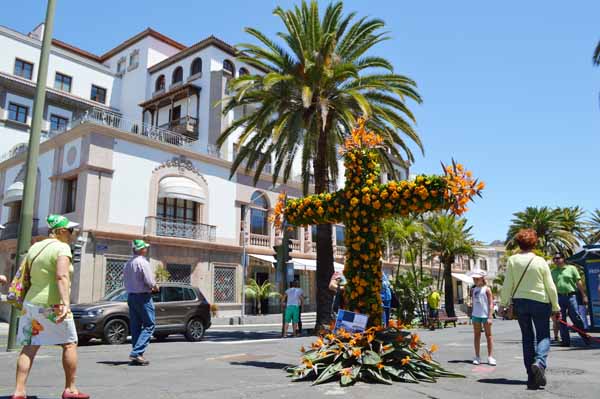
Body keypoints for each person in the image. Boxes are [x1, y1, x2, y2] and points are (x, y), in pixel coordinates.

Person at [12, 215, 89, 399]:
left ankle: (19, 391)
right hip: (53, 304)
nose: (72, 234)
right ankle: (70, 389)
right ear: (61, 231)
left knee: (29, 346)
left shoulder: (35, 247)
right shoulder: (62, 248)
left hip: (31, 303)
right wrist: (65, 303)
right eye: (70, 230)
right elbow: (61, 276)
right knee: (69, 344)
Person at [501, 229, 560, 390]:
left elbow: (508, 284)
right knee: (543, 336)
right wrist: (555, 306)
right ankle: (539, 362)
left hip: (520, 303)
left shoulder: (513, 260)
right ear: (534, 243)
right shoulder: (541, 261)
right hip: (540, 302)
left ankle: (531, 376)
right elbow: (550, 286)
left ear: (519, 243)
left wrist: (503, 303)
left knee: (527, 338)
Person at [123, 239, 158, 366]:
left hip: (131, 296)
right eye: (145, 248)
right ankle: (137, 352)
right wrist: (155, 287)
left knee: (135, 326)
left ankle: (138, 355)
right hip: (143, 297)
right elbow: (149, 281)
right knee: (149, 325)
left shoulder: (128, 263)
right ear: (141, 249)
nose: (146, 249)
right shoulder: (143, 262)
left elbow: (125, 281)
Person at [551, 253, 590, 347]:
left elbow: (578, 282)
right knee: (561, 319)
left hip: (571, 296)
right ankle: (565, 341)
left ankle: (585, 337)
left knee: (575, 317)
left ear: (563, 259)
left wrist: (584, 295)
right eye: (554, 259)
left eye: (558, 258)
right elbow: (551, 286)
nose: (556, 260)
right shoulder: (553, 271)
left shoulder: (571, 268)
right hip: (559, 297)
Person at [468, 269, 496, 366]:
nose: (475, 280)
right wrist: (471, 314)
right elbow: (473, 303)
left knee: (489, 335)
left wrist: (490, 316)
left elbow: (491, 303)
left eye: (477, 278)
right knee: (477, 335)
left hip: (485, 315)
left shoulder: (487, 289)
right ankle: (477, 356)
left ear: (482, 278)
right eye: (474, 278)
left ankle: (490, 357)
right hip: (476, 315)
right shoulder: (473, 289)